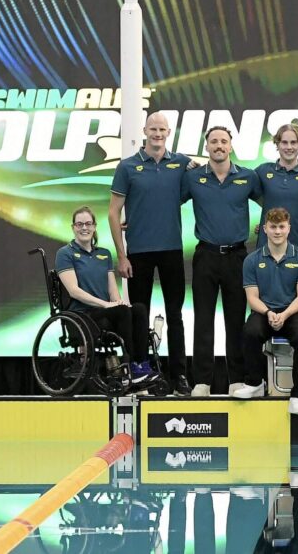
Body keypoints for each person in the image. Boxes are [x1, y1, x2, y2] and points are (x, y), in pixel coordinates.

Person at [108, 111, 191, 395]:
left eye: (162, 129)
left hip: (172, 250)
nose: (157, 133)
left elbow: (202, 185)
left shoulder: (181, 164)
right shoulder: (127, 167)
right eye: (153, 129)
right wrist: (122, 256)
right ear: (144, 131)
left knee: (175, 315)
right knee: (139, 315)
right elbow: (113, 212)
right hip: (138, 253)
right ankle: (140, 371)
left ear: (169, 133)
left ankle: (179, 375)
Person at [181, 126, 263, 396]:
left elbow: (272, 203)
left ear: (230, 146)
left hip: (237, 257)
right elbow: (165, 201)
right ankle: (202, 381)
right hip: (205, 255)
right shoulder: (193, 177)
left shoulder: (247, 177)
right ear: (206, 147)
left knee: (236, 320)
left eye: (223, 141)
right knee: (203, 320)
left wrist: (265, 225)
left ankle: (236, 379)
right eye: (214, 141)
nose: (219, 145)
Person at [56, 206, 154, 382]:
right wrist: (106, 304)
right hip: (82, 315)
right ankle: (128, 368)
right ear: (73, 227)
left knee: (138, 309)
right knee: (122, 312)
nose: (84, 228)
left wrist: (119, 302)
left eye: (88, 224)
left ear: (94, 227)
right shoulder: (65, 254)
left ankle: (141, 365)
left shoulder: (104, 254)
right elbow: (73, 291)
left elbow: (112, 291)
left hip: (104, 312)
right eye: (79, 224)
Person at [234, 208, 298, 415]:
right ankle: (255, 383)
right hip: (264, 312)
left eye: (281, 227)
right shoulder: (252, 260)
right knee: (250, 332)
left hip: (293, 312)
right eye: (273, 227)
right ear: (265, 229)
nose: (277, 231)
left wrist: (285, 314)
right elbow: (252, 297)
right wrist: (269, 313)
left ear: (289, 228)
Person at [254, 122, 298, 250]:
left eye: (293, 142)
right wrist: (267, 213)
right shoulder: (263, 171)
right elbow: (242, 190)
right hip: (266, 247)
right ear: (277, 144)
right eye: (284, 142)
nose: (289, 147)